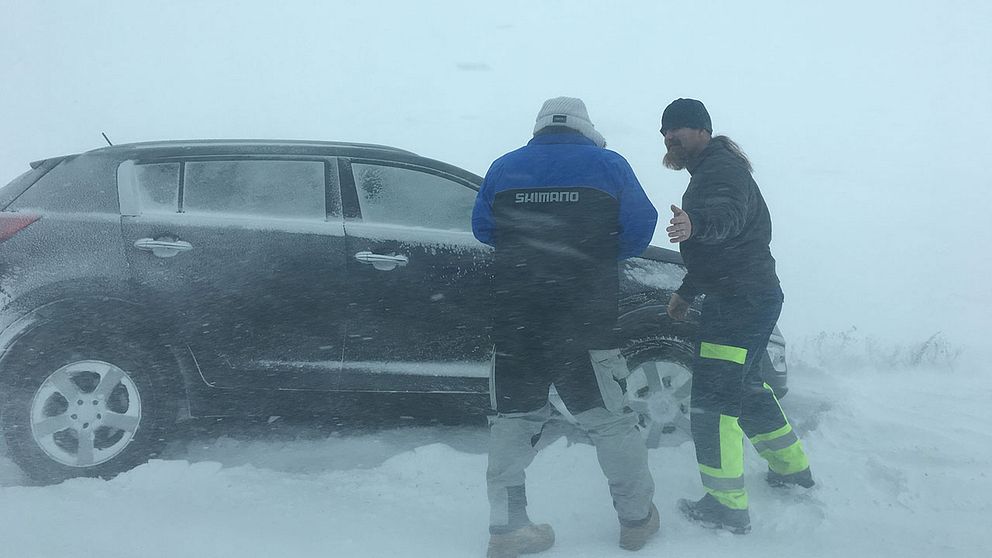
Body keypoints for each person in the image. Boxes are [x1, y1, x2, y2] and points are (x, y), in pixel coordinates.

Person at [472, 97, 660, 557]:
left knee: (513, 422)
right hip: (585, 320)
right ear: (585, 128)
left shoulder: (504, 167)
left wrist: (529, 253)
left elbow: (483, 229)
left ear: (539, 128)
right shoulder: (608, 165)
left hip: (517, 320)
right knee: (611, 422)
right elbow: (641, 228)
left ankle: (507, 527)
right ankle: (636, 521)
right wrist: (593, 255)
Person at [659, 98, 814, 534]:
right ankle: (791, 469)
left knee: (713, 400)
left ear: (703, 130)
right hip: (749, 295)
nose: (671, 138)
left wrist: (696, 224)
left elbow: (725, 218)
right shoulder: (714, 168)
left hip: (739, 301)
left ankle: (726, 505)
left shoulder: (720, 171)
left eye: (679, 130)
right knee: (745, 387)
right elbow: (723, 249)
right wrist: (687, 292)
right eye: (665, 132)